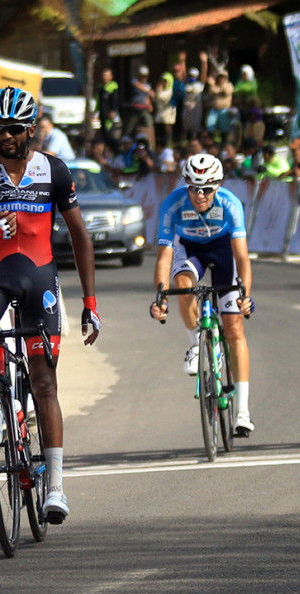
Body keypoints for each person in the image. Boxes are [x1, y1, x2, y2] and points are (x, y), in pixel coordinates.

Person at [0, 86, 100, 524]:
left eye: (12, 129)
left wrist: (89, 301)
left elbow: (80, 237)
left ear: (30, 129)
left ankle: (57, 487)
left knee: (44, 382)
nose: (4, 137)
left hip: (40, 280)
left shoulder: (55, 171)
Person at [148, 154, 255, 435]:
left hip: (223, 251)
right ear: (185, 184)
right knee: (182, 284)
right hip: (190, 249)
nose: (199, 195)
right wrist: (160, 298)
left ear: (217, 186)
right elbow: (163, 257)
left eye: (207, 188)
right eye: (193, 187)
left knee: (234, 328)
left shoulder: (230, 204)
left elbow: (242, 258)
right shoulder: (173, 204)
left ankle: (242, 412)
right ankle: (197, 344)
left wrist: (245, 294)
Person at [122, 66, 154, 145]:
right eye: (142, 76)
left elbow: (147, 97)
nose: (144, 78)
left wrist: (150, 105)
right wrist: (149, 90)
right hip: (135, 108)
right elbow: (138, 85)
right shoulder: (134, 81)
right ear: (139, 75)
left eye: (145, 76)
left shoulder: (148, 85)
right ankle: (124, 143)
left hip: (144, 109)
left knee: (149, 124)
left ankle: (151, 144)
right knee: (129, 128)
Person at [96, 67, 120, 151]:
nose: (104, 77)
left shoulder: (113, 87)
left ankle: (113, 151)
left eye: (107, 75)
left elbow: (115, 100)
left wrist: (113, 111)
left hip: (109, 116)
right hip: (102, 114)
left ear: (111, 77)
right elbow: (98, 101)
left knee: (111, 135)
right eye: (103, 75)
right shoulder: (101, 87)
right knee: (104, 134)